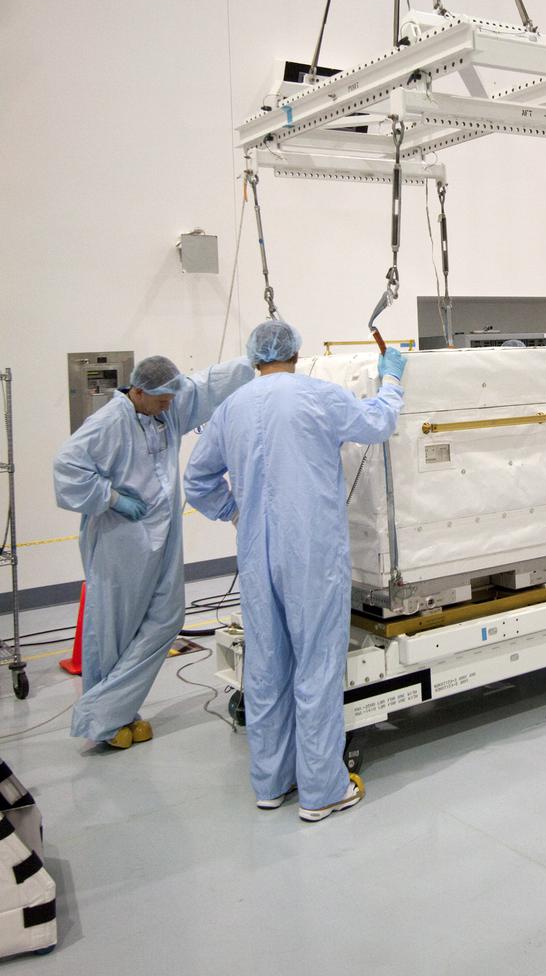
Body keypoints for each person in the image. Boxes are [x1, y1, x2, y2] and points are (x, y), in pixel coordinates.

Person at [183, 320, 406, 823]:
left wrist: (234, 512)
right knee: (317, 663)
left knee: (266, 664)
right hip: (311, 550)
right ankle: (322, 789)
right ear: (296, 352)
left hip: (256, 551)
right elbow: (377, 424)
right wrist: (392, 379)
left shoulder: (232, 407)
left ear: (254, 356)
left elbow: (197, 480)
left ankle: (271, 782)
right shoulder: (315, 395)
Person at [54, 352, 254, 749]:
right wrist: (111, 498)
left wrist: (259, 361)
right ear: (138, 391)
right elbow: (67, 467)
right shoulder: (109, 423)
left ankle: (107, 709)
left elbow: (207, 384)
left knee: (167, 618)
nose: (169, 406)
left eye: (171, 399)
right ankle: (109, 720)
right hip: (121, 539)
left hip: (164, 533)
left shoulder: (167, 409)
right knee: (114, 630)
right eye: (162, 399)